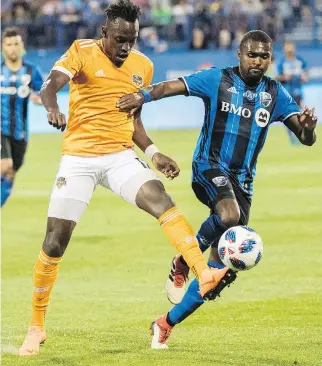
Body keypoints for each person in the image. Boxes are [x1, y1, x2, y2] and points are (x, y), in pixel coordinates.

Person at [18, 0, 235, 357]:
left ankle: (202, 271)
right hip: (79, 159)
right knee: (55, 241)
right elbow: (50, 87)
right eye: (119, 39)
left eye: (131, 40)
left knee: (161, 199)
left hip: (120, 156)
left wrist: (153, 153)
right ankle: (36, 326)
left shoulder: (142, 66)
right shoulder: (81, 52)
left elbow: (134, 119)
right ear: (104, 32)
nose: (125, 47)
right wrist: (53, 108)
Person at [117, 30, 318, 349]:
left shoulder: (275, 93)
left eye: (264, 56)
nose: (258, 61)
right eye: (252, 54)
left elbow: (306, 138)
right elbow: (173, 86)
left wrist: (308, 130)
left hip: (243, 184)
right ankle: (185, 257)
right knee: (228, 213)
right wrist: (143, 96)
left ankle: (164, 324)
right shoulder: (218, 79)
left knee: (220, 273)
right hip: (208, 169)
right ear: (239, 54)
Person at [1, 27, 43, 207]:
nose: (12, 48)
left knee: (11, 173)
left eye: (16, 44)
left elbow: (44, 92)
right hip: (1, 129)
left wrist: (39, 98)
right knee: (6, 165)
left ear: (22, 46)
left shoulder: (31, 71)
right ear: (3, 47)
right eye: (9, 44)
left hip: (21, 133)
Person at [275, 41, 308, 144]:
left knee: (300, 113)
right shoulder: (282, 61)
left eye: (291, 47)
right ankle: (292, 137)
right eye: (287, 48)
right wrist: (284, 77)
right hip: (287, 92)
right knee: (289, 116)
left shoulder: (299, 60)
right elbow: (276, 76)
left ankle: (301, 134)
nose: (289, 50)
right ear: (285, 49)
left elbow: (306, 72)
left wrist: (304, 77)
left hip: (298, 90)